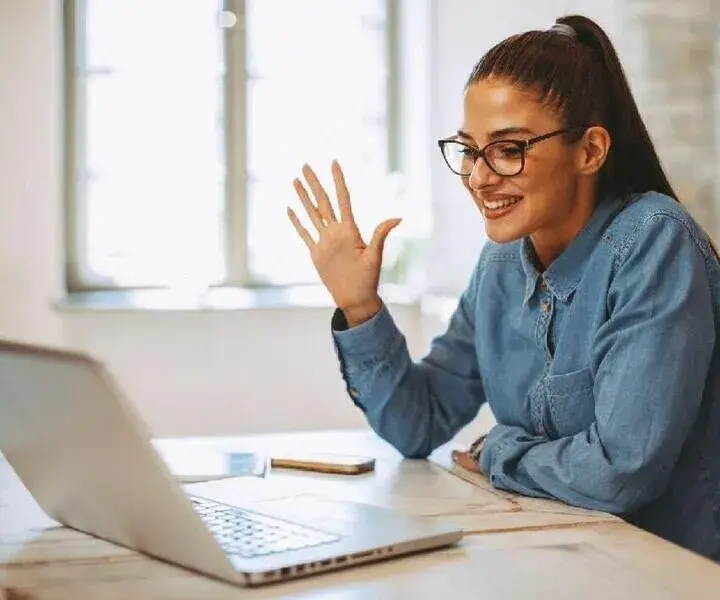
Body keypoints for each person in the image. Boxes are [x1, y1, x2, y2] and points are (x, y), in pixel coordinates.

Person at [286, 15, 720, 561]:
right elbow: (418, 423)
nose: (480, 177)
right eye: (469, 150)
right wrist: (360, 306)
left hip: (674, 573)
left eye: (509, 149)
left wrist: (501, 451)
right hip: (564, 558)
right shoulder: (501, 263)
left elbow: (621, 471)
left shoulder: (653, 241)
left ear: (589, 151)